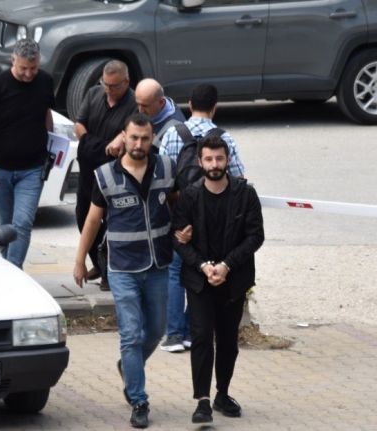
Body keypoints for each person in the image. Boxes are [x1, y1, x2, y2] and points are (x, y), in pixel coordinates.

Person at [73, 113, 177, 429]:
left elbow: (177, 204)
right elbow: (93, 220)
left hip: (158, 264)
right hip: (122, 268)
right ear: (124, 136)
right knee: (131, 334)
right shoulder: (105, 175)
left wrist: (185, 231)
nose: (139, 144)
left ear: (152, 138)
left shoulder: (166, 168)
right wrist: (79, 260)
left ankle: (129, 367)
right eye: (134, 138)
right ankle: (138, 399)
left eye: (145, 138)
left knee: (157, 330)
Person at [172, 135, 264, 424]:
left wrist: (226, 266)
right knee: (201, 336)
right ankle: (202, 400)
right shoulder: (189, 196)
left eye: (219, 158)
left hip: (233, 280)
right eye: (209, 159)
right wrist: (204, 267)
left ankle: (222, 393)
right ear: (200, 162)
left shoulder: (245, 194)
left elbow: (255, 236)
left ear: (227, 160)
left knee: (227, 340)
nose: (214, 164)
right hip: (200, 280)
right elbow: (178, 240)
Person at [157, 83, 247, 353]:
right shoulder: (224, 137)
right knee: (205, 270)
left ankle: (174, 335)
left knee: (175, 271)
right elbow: (239, 179)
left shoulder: (173, 133)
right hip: (213, 216)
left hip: (180, 212)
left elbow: (162, 177)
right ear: (214, 107)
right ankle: (191, 331)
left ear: (189, 104)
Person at [0, 38, 54, 268]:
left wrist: (52, 146)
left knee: (23, 223)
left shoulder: (45, 81)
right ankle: (5, 268)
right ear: (13, 60)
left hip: (33, 168)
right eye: (23, 68)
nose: (29, 74)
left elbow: (46, 113)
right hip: (0, 169)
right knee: (6, 226)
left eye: (33, 68)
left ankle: (13, 270)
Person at [74, 60, 137, 289]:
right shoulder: (94, 93)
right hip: (88, 168)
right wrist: (93, 143)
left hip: (112, 172)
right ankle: (99, 262)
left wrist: (116, 140)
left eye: (114, 86)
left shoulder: (133, 103)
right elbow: (79, 125)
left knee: (110, 221)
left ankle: (110, 270)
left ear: (126, 82)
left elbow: (131, 133)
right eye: (105, 84)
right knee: (83, 215)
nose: (108, 89)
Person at [134, 78, 185, 151]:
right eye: (138, 104)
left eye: (145, 106)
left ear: (161, 102)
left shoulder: (175, 132)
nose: (140, 110)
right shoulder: (153, 100)